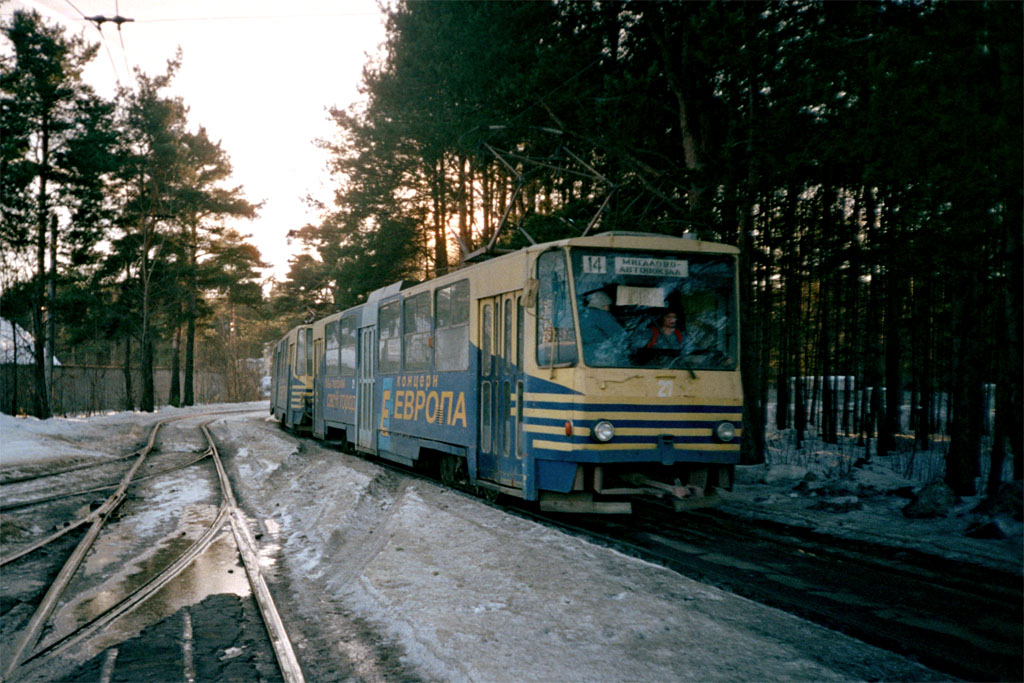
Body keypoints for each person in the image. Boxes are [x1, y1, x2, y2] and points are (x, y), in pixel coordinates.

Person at [579, 291, 625, 365]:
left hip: (585, 354)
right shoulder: (602, 315)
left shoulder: (582, 314)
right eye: (607, 306)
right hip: (602, 354)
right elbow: (619, 335)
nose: (608, 309)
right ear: (601, 305)